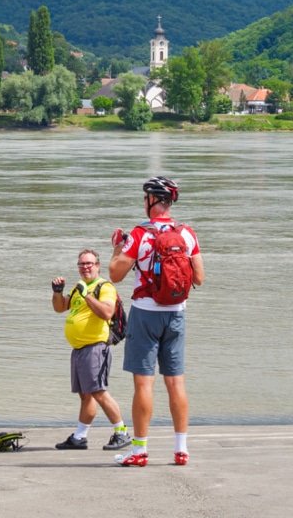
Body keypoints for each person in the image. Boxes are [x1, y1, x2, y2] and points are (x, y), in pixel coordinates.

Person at [108, 176, 204, 467]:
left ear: (152, 200)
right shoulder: (187, 233)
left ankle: (139, 451)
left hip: (146, 312)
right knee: (176, 383)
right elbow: (198, 278)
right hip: (177, 312)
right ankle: (181, 449)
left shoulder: (140, 234)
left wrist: (116, 247)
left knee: (144, 384)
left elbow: (114, 274)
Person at [50, 248, 131, 451]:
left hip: (96, 347)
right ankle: (80, 437)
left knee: (99, 392)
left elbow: (107, 312)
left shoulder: (104, 287)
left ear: (97, 265)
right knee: (85, 395)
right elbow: (60, 308)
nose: (85, 267)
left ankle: (121, 433)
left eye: (89, 263)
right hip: (79, 349)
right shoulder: (79, 287)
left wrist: (87, 295)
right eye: (81, 264)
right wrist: (57, 293)